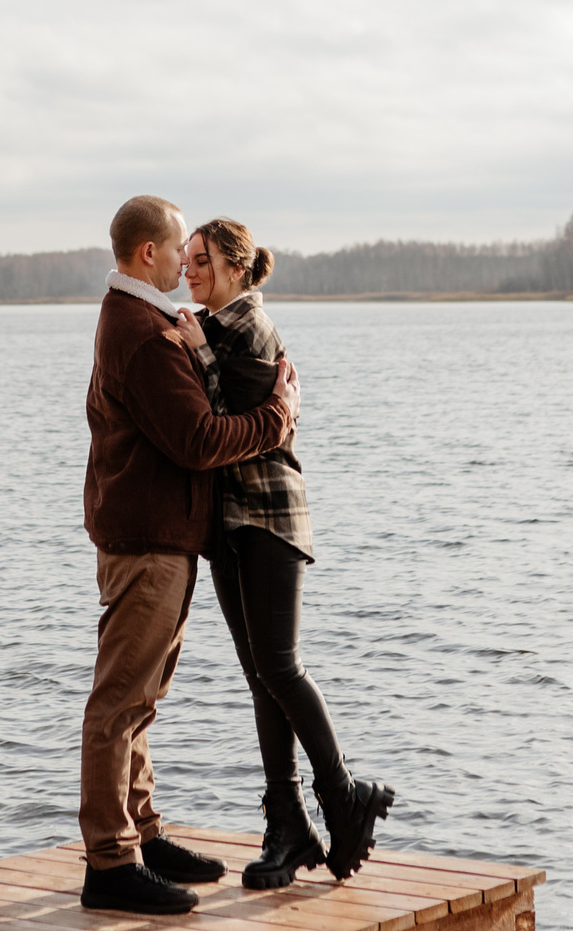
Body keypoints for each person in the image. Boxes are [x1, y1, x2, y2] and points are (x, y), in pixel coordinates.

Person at [80, 195, 300, 916]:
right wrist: (276, 417)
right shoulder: (141, 332)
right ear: (150, 253)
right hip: (147, 539)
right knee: (119, 701)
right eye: (179, 248)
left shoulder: (144, 320)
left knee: (141, 700)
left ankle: (142, 833)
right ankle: (111, 860)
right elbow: (200, 438)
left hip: (159, 533)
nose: (185, 260)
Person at [172, 217, 396, 888]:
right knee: (260, 673)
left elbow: (224, 422)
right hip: (232, 524)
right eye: (186, 260)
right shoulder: (215, 327)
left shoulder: (246, 326)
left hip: (268, 515)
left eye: (202, 259)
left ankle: (343, 793)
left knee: (280, 664)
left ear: (237, 268)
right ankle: (289, 823)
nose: (191, 270)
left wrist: (196, 349)